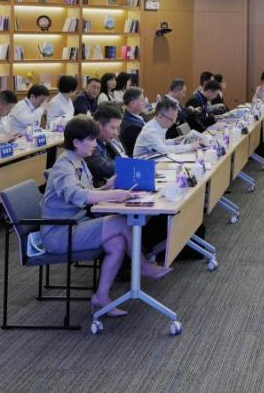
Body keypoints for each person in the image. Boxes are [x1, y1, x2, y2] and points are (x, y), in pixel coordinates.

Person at [40, 116, 171, 316]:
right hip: (59, 233)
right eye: (91, 140)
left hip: (76, 224)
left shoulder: (78, 161)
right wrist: (112, 194)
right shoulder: (63, 167)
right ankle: (144, 266)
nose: (95, 144)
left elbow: (85, 193)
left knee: (117, 242)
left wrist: (105, 188)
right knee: (119, 222)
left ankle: (101, 296)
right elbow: (77, 196)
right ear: (76, 142)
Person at [135, 98, 203, 157]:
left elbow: (158, 144)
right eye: (171, 119)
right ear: (160, 116)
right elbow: (163, 150)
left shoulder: (160, 125)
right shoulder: (150, 130)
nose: (174, 122)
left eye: (175, 119)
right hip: (142, 165)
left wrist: (173, 141)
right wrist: (190, 146)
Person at [85, 104, 128, 188]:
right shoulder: (87, 141)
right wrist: (129, 164)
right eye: (113, 128)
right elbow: (104, 168)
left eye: (117, 128)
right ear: (98, 124)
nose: (116, 133)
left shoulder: (105, 137)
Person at [119, 87, 149, 155]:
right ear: (132, 103)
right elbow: (144, 149)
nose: (145, 102)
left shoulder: (140, 114)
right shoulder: (131, 127)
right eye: (142, 100)